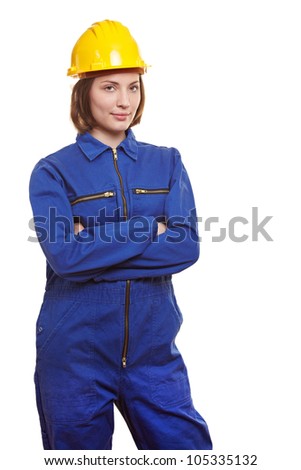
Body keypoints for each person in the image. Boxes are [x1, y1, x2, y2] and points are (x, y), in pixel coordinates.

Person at [29, 19, 212, 450]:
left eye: (133, 86)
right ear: (84, 92)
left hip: (154, 358)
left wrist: (93, 239)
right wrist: (151, 227)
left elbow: (185, 247)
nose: (123, 100)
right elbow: (67, 259)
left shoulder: (166, 161)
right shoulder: (52, 171)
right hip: (73, 361)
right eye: (109, 87)